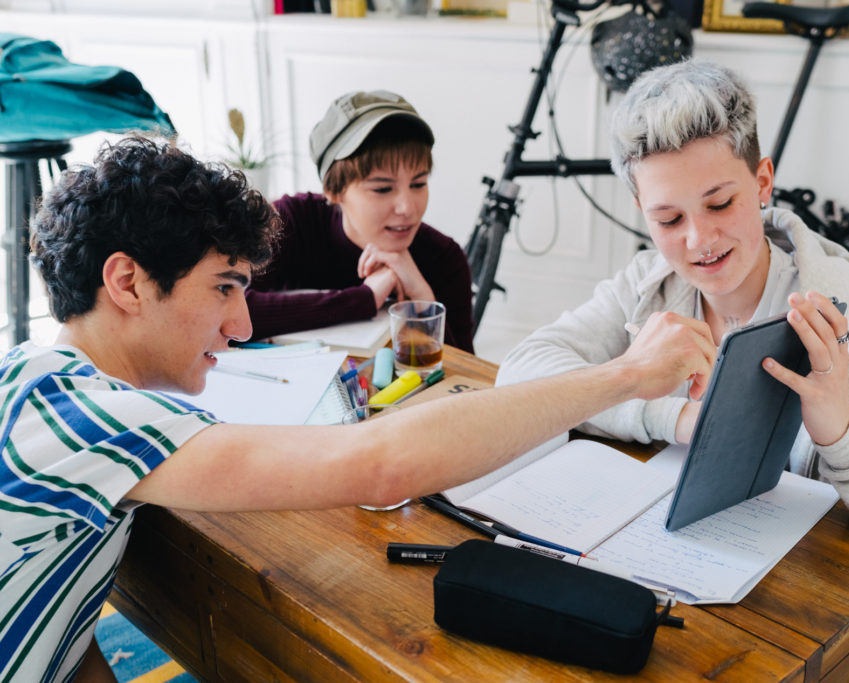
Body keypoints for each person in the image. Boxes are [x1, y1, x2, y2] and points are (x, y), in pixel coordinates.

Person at [0, 136, 713, 682]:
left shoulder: (54, 385)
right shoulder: (78, 411)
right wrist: (627, 374)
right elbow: (381, 465)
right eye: (223, 287)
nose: (243, 324)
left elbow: (63, 631)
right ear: (126, 281)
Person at [495, 58, 849, 682]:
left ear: (763, 182)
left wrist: (843, 433)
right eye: (668, 219)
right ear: (641, 208)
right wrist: (668, 413)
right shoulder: (648, 287)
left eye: (720, 202)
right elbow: (523, 370)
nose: (698, 240)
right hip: (704, 598)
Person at [245, 90, 475, 352]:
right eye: (382, 189)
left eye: (418, 184)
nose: (407, 208)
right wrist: (364, 299)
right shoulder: (289, 223)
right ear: (333, 191)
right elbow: (228, 307)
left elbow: (470, 383)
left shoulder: (445, 259)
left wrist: (423, 302)